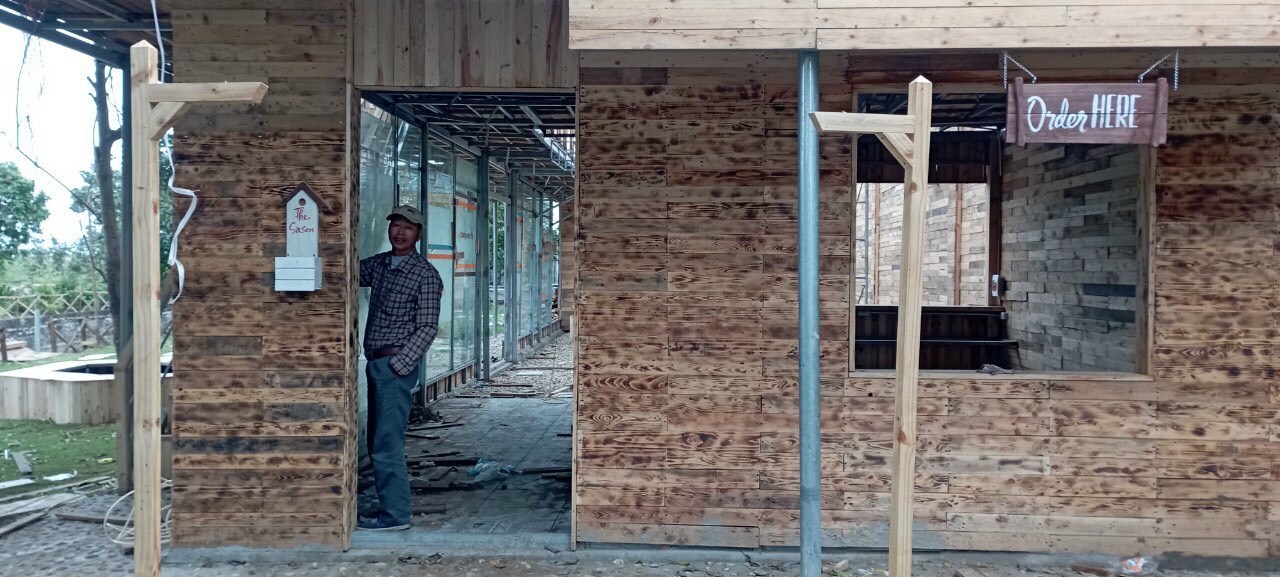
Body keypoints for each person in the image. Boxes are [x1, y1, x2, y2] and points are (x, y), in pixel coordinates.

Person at [358, 205, 443, 531]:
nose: (400, 232)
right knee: (377, 441)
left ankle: (395, 516)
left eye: (408, 227)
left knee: (387, 443)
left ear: (418, 234)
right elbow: (346, 270)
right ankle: (388, 507)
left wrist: (398, 365)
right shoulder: (380, 265)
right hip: (377, 363)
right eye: (396, 225)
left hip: (394, 367)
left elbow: (427, 327)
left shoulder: (425, 275)